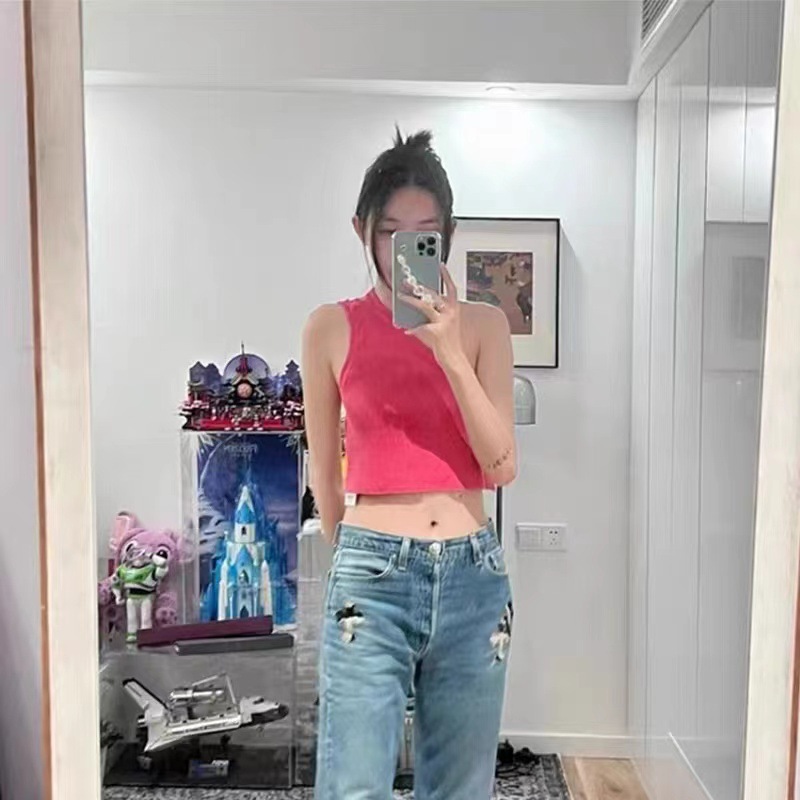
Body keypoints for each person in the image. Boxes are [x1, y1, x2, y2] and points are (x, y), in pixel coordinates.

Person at [301, 128, 517, 800]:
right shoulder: (330, 327)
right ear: (362, 231)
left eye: (424, 234)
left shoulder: (484, 327)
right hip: (372, 574)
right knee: (353, 785)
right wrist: (354, 554)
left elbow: (501, 464)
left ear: (447, 236)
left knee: (461, 788)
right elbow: (323, 472)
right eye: (391, 232)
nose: (406, 248)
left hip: (473, 577)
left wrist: (448, 349)